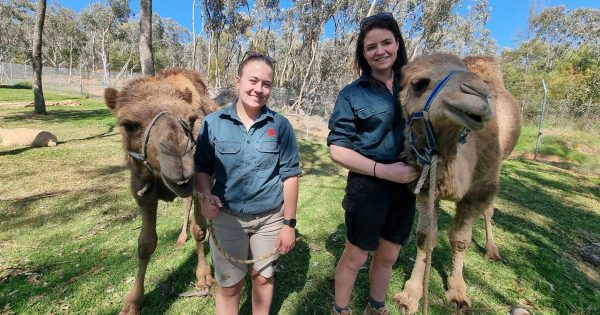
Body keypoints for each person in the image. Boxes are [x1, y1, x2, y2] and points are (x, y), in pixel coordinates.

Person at [194, 51, 301, 315]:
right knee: (229, 286)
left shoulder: (281, 126)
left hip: (270, 218)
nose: (259, 89)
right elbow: (201, 169)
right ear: (238, 80)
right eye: (253, 81)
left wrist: (289, 224)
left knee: (263, 279)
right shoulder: (212, 124)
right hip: (227, 217)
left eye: (266, 84)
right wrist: (206, 195)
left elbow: (290, 175)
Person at [327, 12, 420, 315]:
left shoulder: (417, 88)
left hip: (406, 189)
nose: (380, 51)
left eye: (386, 43)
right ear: (363, 54)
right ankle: (341, 309)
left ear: (397, 44)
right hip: (367, 188)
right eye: (371, 47)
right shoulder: (352, 94)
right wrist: (384, 170)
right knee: (356, 257)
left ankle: (375, 308)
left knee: (389, 256)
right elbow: (337, 150)